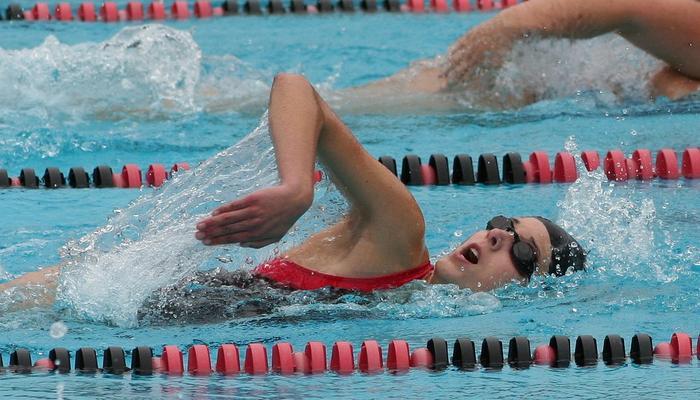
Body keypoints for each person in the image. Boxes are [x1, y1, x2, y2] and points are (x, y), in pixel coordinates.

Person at [194, 73, 586, 294]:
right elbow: (295, 87)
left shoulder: (406, 300)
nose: (497, 236)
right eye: (502, 224)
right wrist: (296, 188)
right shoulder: (400, 233)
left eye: (524, 252)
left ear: (531, 292)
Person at [346, 0, 700, 108]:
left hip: (558, 89)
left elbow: (671, 83)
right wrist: (507, 27)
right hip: (522, 79)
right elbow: (626, 5)